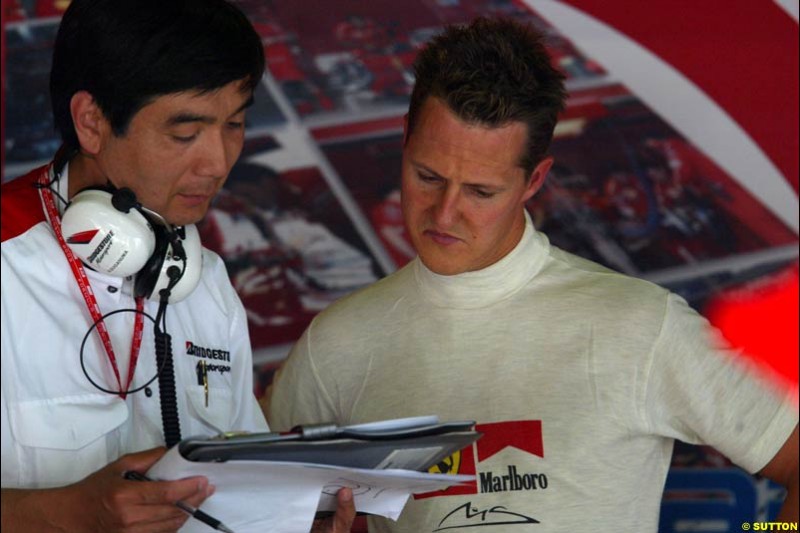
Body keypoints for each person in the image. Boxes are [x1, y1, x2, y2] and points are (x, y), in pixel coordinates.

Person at [265, 17, 798, 532]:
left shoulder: (639, 325)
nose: (443, 213)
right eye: (427, 176)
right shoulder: (337, 343)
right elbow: (239, 500)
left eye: (480, 191)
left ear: (534, 179)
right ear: (405, 138)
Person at [0, 1, 354, 532]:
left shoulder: (204, 278)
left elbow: (241, 493)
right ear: (92, 122)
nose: (218, 162)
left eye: (234, 124)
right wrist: (68, 513)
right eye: (185, 133)